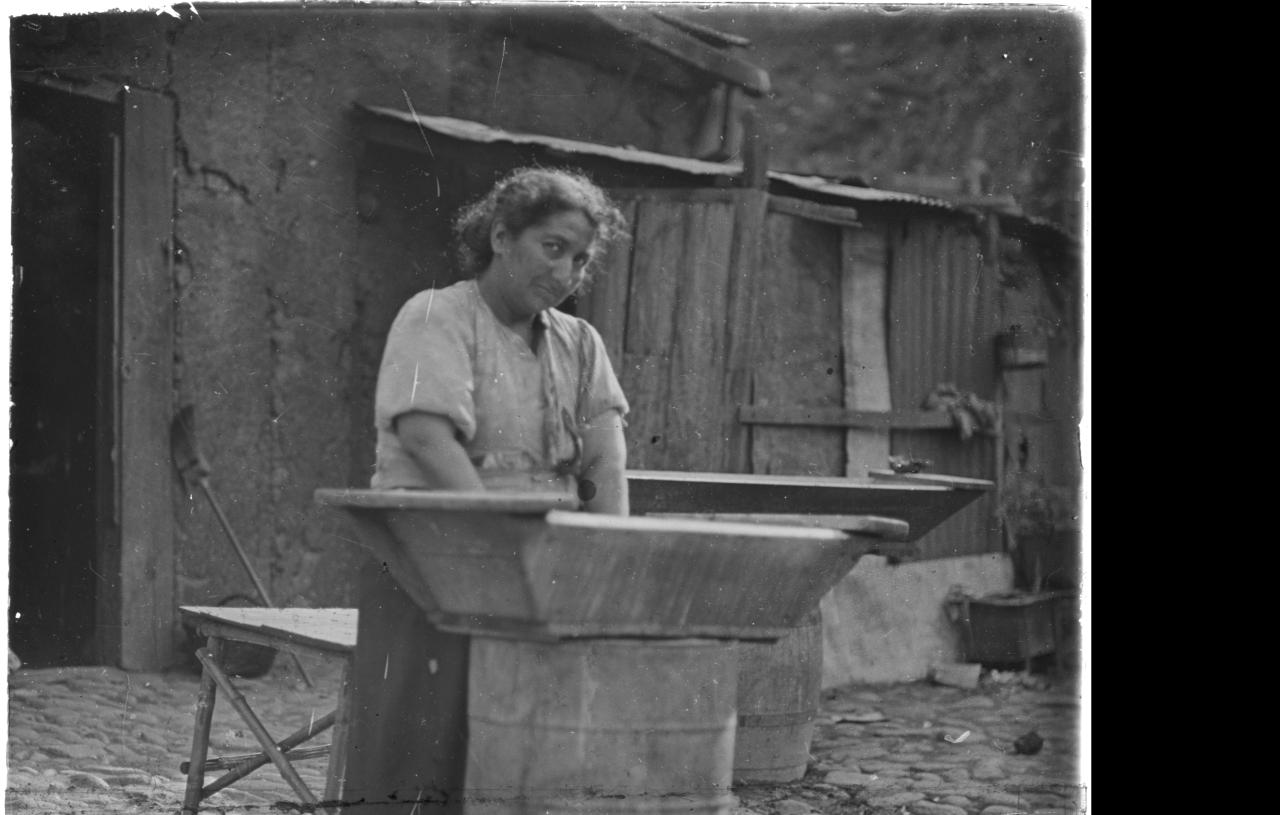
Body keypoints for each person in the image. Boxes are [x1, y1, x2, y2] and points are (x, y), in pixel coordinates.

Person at [340, 167, 630, 814]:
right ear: (501, 236)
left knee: (514, 758)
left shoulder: (579, 344)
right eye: (551, 247)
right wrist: (495, 541)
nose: (565, 272)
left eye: (580, 259)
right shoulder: (437, 315)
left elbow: (605, 457)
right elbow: (425, 434)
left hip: (532, 571)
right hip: (429, 565)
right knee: (416, 753)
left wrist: (610, 554)